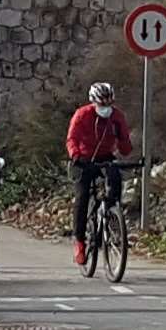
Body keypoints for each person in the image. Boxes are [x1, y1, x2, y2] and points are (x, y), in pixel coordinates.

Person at [64, 80, 138, 264]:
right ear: (94, 102)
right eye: (101, 104)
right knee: (82, 198)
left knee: (115, 180)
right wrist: (75, 155)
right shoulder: (82, 115)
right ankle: (79, 241)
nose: (105, 108)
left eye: (108, 104)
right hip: (84, 158)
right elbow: (72, 139)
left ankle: (111, 215)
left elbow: (125, 147)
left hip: (106, 156)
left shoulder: (117, 117)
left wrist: (123, 140)